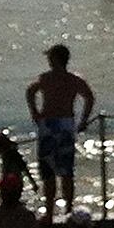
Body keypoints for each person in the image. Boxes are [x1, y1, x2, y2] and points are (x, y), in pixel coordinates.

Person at [26, 43, 99, 219]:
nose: (49, 61)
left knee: (51, 171)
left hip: (50, 124)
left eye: (50, 57)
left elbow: (30, 91)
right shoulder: (73, 80)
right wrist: (83, 120)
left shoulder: (46, 78)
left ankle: (53, 211)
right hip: (65, 124)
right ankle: (65, 210)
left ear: (56, 59)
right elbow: (89, 97)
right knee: (63, 171)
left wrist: (35, 113)